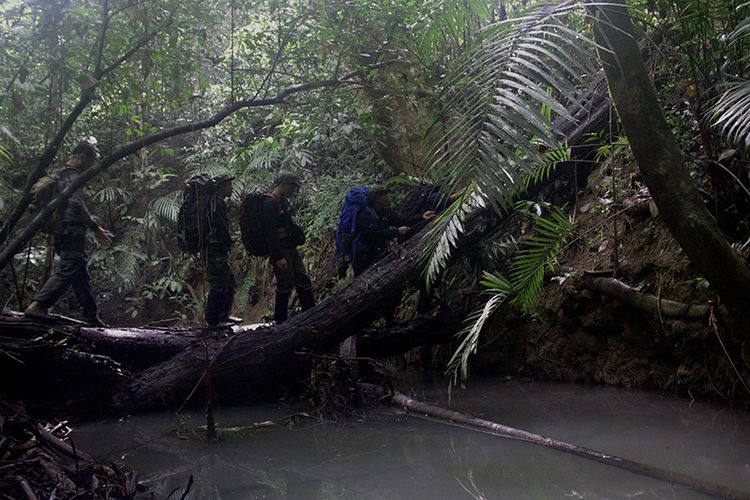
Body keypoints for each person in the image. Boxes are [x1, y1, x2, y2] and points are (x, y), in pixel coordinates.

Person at [24, 142, 112, 326]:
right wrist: (94, 227)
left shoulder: (59, 175)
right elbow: (76, 205)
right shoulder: (72, 176)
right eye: (89, 161)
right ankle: (38, 305)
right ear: (82, 157)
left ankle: (91, 315)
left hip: (62, 229)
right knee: (69, 268)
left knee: (78, 271)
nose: (89, 166)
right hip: (70, 229)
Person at [262, 173, 315, 324]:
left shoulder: (282, 202)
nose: (293, 191)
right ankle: (281, 322)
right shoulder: (269, 204)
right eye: (292, 187)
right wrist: (278, 257)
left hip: (290, 247)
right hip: (281, 250)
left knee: (302, 279)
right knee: (285, 283)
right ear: (283, 184)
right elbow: (270, 234)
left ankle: (311, 314)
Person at [352, 186, 436, 276]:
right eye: (383, 195)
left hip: (379, 250)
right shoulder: (364, 215)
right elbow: (374, 235)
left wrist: (421, 217)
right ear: (376, 198)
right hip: (364, 255)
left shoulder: (386, 211)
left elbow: (401, 221)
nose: (387, 197)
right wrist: (397, 231)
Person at [204, 174, 242, 328]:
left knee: (228, 282)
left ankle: (223, 316)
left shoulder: (217, 203)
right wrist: (232, 244)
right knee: (219, 284)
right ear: (220, 186)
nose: (231, 188)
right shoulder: (216, 204)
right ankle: (213, 321)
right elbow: (221, 228)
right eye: (228, 185)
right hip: (214, 250)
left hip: (216, 250)